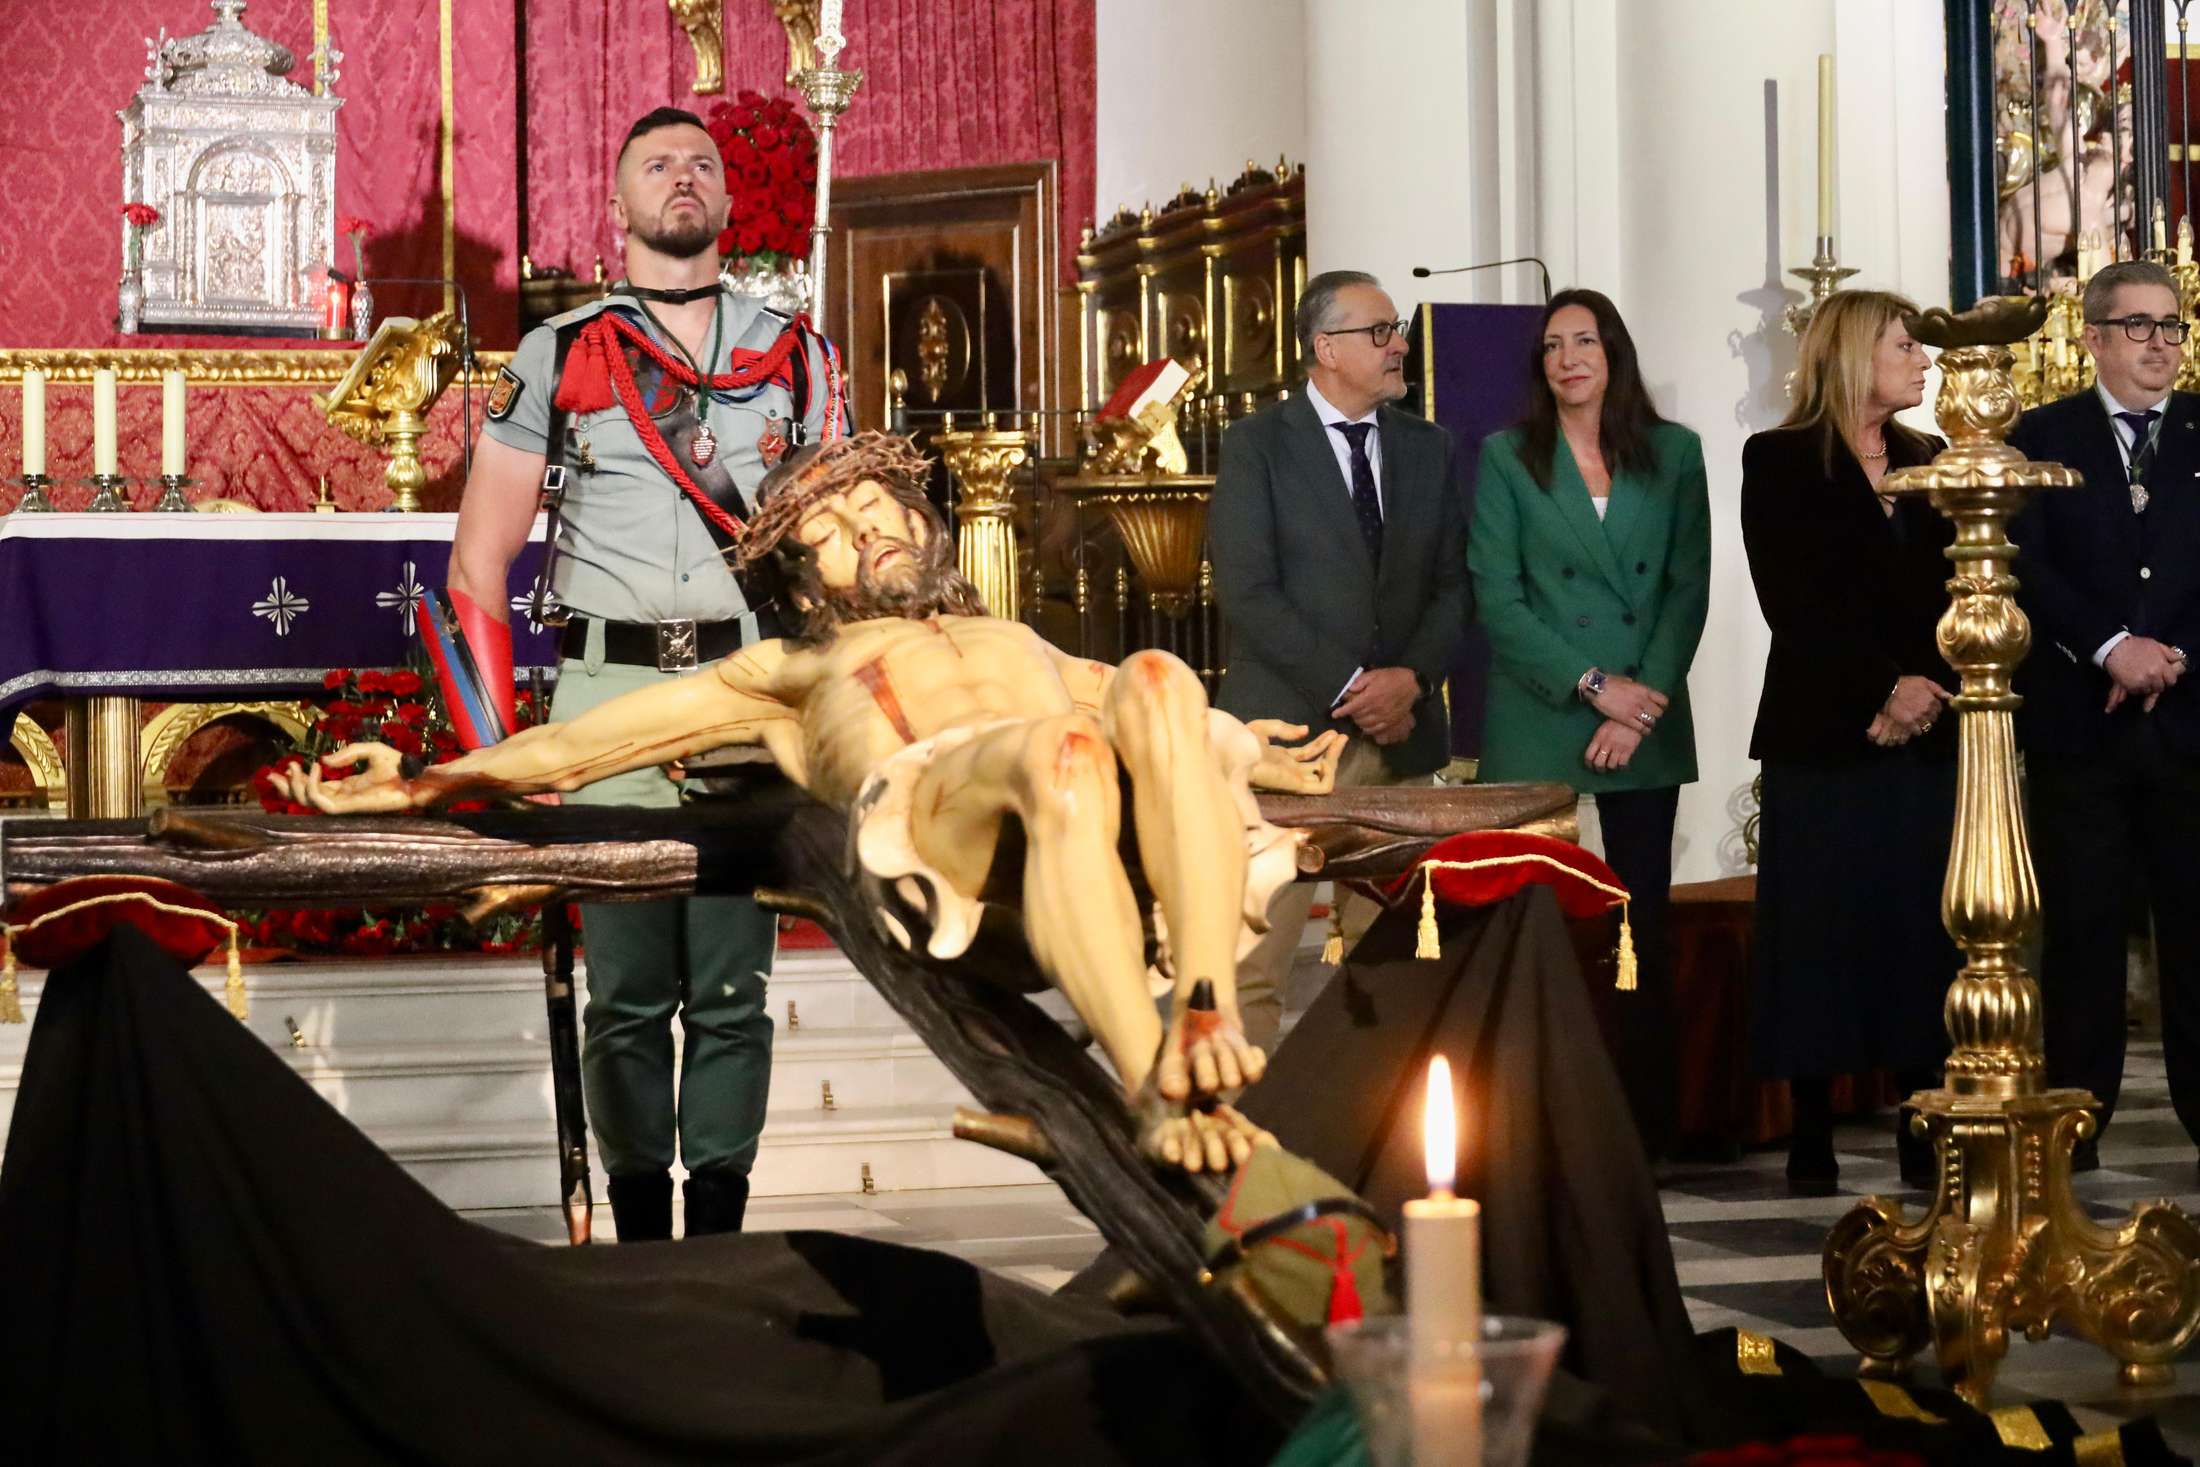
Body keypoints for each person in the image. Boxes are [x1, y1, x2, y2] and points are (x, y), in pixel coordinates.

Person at [284, 433, 1348, 1177]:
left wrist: (1251, 752)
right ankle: (1154, 1083)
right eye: (830, 529)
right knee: (1065, 745)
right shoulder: (792, 671)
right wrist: (430, 780)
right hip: (947, 841)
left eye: (873, 504)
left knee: (1158, 674)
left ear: (916, 514)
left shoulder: (1013, 636)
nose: (863, 528)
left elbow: (1146, 709)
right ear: (801, 581)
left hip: (1082, 830)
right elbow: (585, 739)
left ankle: (1199, 1007)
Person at [443, 106, 843, 1242]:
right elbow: (478, 563)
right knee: (621, 995)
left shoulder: (798, 357)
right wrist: (504, 751)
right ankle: (637, 1245)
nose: (684, 178)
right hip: (607, 699)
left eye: (702, 165)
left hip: (746, 699)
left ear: (728, 200)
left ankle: (715, 1239)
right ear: (616, 205)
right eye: (657, 165)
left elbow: (836, 557)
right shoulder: (562, 351)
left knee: (731, 990)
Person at [1468, 288, 1710, 1158]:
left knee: (1641, 923)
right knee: (1530, 925)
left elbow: (1686, 587)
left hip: (1644, 715)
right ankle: (1526, 1119)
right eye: (1552, 346)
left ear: (1614, 353)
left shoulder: (1676, 453)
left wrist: (1640, 703)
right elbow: (1498, 596)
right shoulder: (1508, 457)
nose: (1567, 358)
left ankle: (1646, 1123)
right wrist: (1595, 685)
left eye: (1584, 341)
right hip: (1544, 712)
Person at [1208, 269, 1471, 1051]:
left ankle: (1373, 1116)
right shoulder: (1257, 444)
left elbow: (1455, 586)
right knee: (1254, 960)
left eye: (1397, 331)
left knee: (1395, 964)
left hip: (1402, 744)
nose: (1400, 346)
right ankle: (1241, 1120)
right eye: (1380, 331)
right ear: (1325, 347)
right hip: (1286, 743)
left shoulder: (1427, 447)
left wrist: (1411, 682)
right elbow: (1248, 590)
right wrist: (1356, 687)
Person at [1739, 289, 1958, 1193]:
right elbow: (1793, 601)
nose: (1922, 360)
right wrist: (1879, 688)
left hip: (1924, 732)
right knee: (1817, 931)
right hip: (1825, 733)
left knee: (1918, 929)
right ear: (1855, 353)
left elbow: (1959, 588)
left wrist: (1923, 689)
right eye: (1905, 345)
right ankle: (1811, 1129)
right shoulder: (1782, 459)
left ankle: (1920, 1117)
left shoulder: (1931, 460)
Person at [2007, 258, 2200, 1167]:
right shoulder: (2040, 436)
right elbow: (2024, 562)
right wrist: (2110, 645)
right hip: (2081, 730)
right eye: (2139, 325)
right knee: (2082, 937)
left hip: (2190, 729)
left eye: (2173, 325)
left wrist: (2172, 655)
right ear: (2092, 337)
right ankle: (2075, 1131)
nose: (2161, 343)